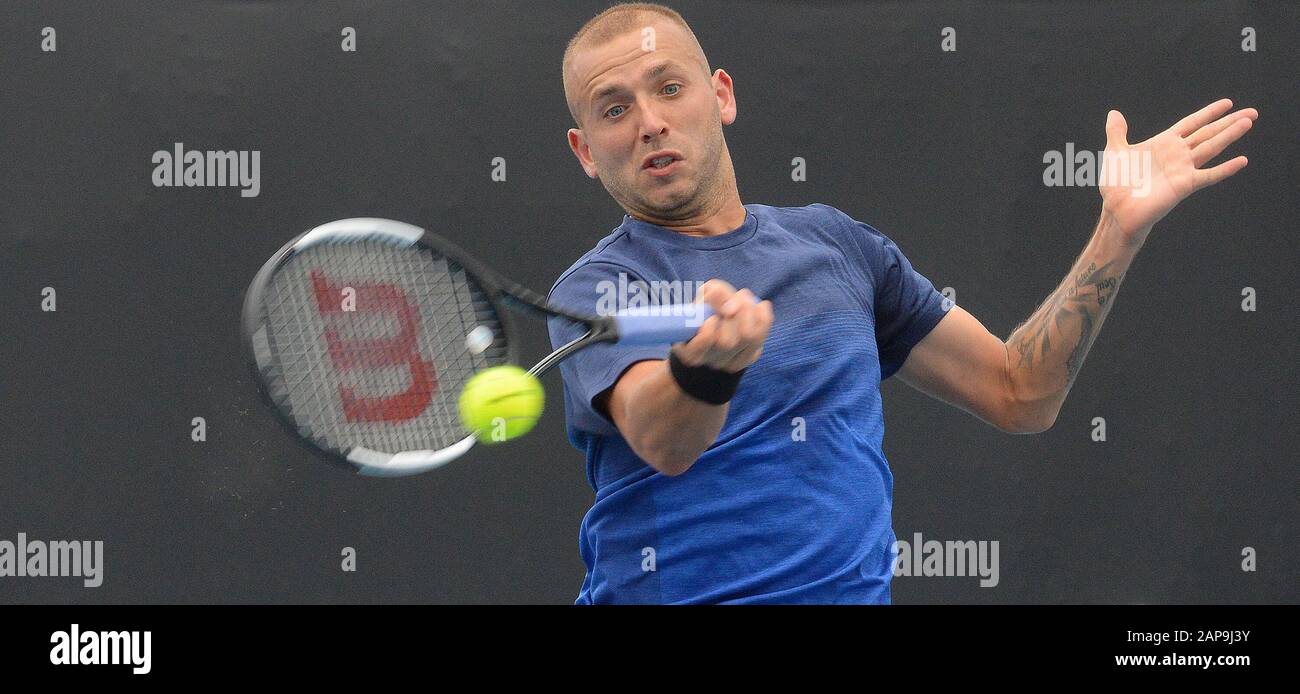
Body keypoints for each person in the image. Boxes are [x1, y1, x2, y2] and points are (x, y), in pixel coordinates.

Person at [546, 2, 1257, 604]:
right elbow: (662, 440)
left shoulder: (838, 247)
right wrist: (707, 372)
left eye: (669, 88)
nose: (649, 122)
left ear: (722, 96)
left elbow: (1019, 393)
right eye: (615, 108)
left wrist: (1117, 230)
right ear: (583, 150)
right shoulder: (600, 287)